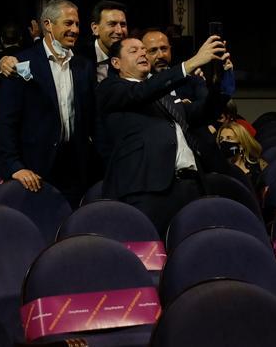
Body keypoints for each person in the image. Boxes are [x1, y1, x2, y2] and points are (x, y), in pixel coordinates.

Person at [95, 34, 229, 236]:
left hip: (191, 187)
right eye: (134, 50)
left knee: (196, 254)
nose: (142, 53)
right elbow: (143, 92)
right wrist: (190, 64)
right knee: (150, 260)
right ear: (116, 62)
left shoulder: (165, 96)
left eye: (143, 50)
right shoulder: (110, 88)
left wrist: (220, 82)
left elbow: (203, 113)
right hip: (147, 190)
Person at [0, 0, 96, 203]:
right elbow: (6, 121)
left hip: (75, 168)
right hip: (33, 169)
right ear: (48, 25)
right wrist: (15, 166)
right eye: (68, 23)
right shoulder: (21, 63)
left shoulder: (84, 66)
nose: (75, 29)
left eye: (77, 24)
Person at [217, 120, 267, 186]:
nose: (223, 142)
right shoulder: (218, 171)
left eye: (229, 138)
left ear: (241, 144)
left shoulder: (258, 166)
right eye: (221, 139)